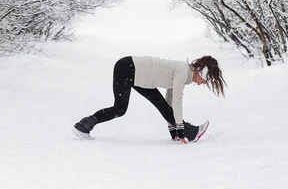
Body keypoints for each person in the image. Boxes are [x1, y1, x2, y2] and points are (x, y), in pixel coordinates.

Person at [73, 54, 226, 143]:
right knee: (119, 109)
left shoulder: (184, 73)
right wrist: (179, 128)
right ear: (200, 72)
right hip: (128, 68)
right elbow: (177, 101)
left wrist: (173, 130)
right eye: (204, 80)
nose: (202, 83)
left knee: (161, 105)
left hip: (138, 75)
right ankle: (82, 126)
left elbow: (169, 101)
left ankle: (189, 131)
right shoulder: (182, 70)